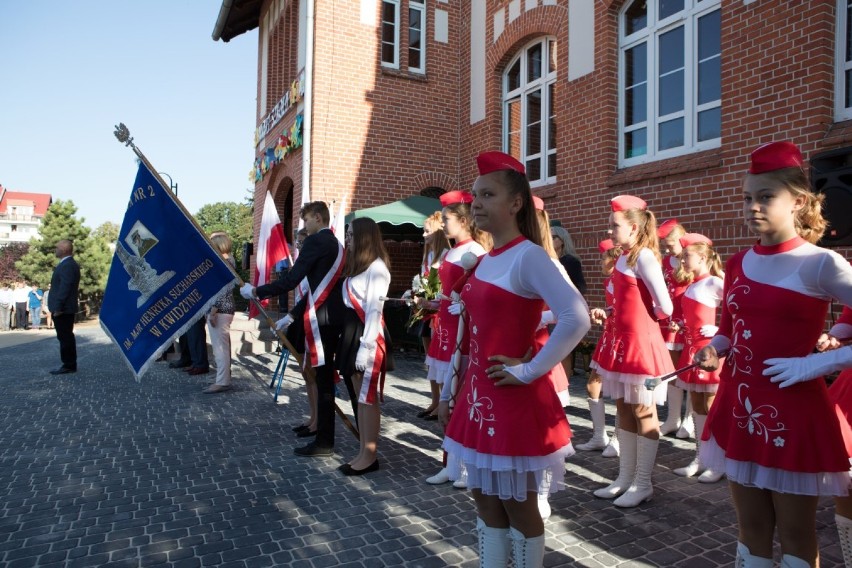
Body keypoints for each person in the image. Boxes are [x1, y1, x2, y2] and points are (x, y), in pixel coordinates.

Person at [693, 141, 852, 567]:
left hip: (794, 414)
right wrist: (713, 348)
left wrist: (820, 363)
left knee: (797, 535)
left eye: (766, 197)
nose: (753, 207)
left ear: (798, 201)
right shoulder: (737, 262)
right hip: (740, 407)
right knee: (752, 529)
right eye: (748, 197)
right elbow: (729, 331)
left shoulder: (822, 264)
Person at [438, 151, 590, 566]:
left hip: (512, 401)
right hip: (478, 397)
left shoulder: (530, 256)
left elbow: (575, 318)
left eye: (487, 194)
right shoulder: (486, 259)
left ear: (516, 203)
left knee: (520, 508)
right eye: (475, 195)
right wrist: (452, 390)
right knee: (485, 505)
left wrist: (529, 370)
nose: (477, 204)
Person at [241, 201, 345, 457]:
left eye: (307, 220)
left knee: (322, 381)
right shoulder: (335, 244)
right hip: (330, 315)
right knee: (321, 379)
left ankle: (324, 442)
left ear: (319, 218)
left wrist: (256, 291)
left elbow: (291, 280)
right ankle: (321, 431)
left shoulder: (316, 242)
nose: (304, 226)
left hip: (320, 319)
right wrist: (292, 315)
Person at [591, 195, 674, 508]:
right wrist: (610, 312)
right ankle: (624, 478)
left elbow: (664, 306)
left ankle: (642, 483)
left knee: (643, 411)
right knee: (623, 409)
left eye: (615, 226)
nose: (610, 231)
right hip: (622, 342)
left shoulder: (644, 258)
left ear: (634, 227)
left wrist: (642, 319)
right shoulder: (624, 258)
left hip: (640, 345)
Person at [423, 190, 488, 486]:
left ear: (462, 221)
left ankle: (463, 464)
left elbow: (475, 296)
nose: (442, 225)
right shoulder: (450, 251)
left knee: (460, 399)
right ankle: (450, 462)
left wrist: (455, 304)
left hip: (462, 334)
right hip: (446, 330)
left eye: (446, 219)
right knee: (447, 396)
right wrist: (433, 302)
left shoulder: (474, 251)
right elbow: (451, 293)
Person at [335, 217, 391, 475]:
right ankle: (362, 451)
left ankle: (370, 454)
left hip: (364, 335)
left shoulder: (377, 269)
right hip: (350, 333)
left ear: (365, 236)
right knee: (359, 397)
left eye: (351, 234)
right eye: (347, 234)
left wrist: (366, 346)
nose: (348, 238)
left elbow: (374, 311)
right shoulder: (359, 267)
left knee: (368, 399)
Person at [668, 233, 724, 483]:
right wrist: (681, 323)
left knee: (712, 407)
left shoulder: (715, 282)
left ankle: (718, 461)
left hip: (709, 352)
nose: (682, 261)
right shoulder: (693, 284)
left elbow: (740, 307)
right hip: (692, 352)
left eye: (687, 256)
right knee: (697, 406)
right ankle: (701, 457)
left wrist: (720, 331)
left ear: (702, 257)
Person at [576, 239, 622, 457]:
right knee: (593, 385)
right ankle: (599, 436)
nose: (600, 261)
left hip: (622, 340)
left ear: (614, 259)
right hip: (608, 336)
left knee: (622, 392)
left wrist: (610, 312)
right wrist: (606, 312)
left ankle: (619, 438)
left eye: (603, 257)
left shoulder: (624, 278)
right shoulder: (609, 282)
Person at [657, 218, 694, 440]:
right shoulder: (664, 261)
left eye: (671, 244)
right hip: (669, 322)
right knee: (672, 370)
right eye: (666, 245)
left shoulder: (692, 260)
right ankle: (672, 418)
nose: (668, 249)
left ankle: (689, 420)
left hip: (688, 321)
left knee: (689, 370)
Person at [415, 211, 450, 419]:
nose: (423, 235)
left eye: (427, 231)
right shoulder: (429, 254)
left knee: (440, 359)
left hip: (438, 311)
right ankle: (434, 400)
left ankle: (442, 402)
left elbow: (444, 284)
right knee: (430, 359)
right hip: (427, 309)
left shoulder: (446, 254)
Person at [204, 232, 236, 394]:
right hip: (225, 309)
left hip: (221, 310)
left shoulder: (224, 263)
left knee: (220, 348)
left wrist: (213, 312)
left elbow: (222, 290)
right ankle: (223, 377)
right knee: (223, 346)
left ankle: (222, 382)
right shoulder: (229, 261)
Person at [48, 239, 81, 374]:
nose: (55, 250)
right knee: (64, 336)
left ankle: (68, 364)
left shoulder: (67, 265)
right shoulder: (67, 264)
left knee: (65, 337)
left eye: (57, 247)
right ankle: (68, 363)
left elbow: (65, 287)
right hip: (64, 308)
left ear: (64, 250)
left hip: (63, 309)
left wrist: (58, 307)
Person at [551, 225, 587, 296]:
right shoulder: (546, 260)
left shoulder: (571, 262)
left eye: (553, 237)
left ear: (562, 240)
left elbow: (581, 288)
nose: (549, 241)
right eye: (546, 238)